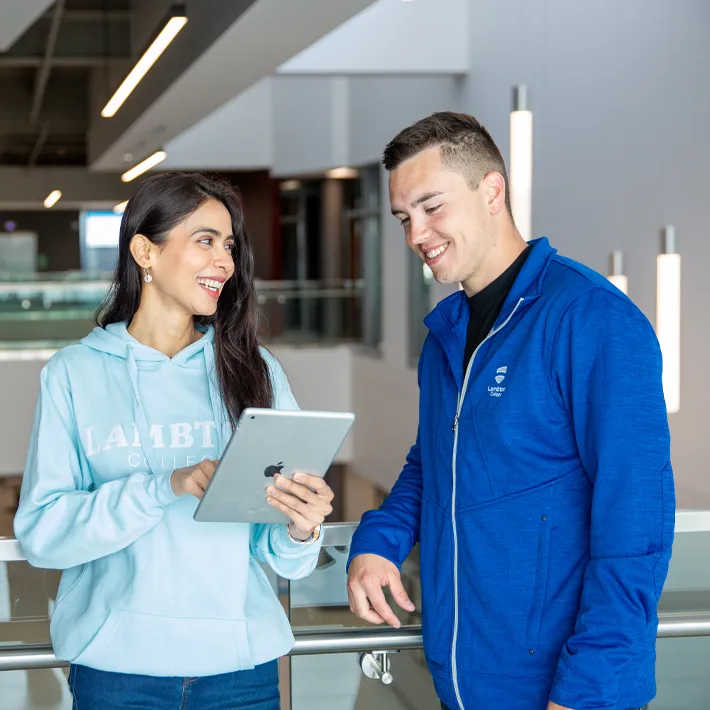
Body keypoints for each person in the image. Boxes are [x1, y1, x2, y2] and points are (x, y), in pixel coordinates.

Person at [346, 112, 674, 710]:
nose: (416, 233)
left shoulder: (592, 320)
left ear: (492, 191)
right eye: (403, 217)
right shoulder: (446, 333)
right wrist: (379, 540)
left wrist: (589, 692)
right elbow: (433, 464)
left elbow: (637, 529)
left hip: (565, 694)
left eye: (431, 206)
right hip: (463, 685)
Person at [14, 173, 334, 710]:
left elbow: (281, 557)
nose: (225, 262)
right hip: (118, 673)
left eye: (228, 246)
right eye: (205, 241)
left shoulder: (255, 371)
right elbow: (44, 535)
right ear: (145, 251)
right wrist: (164, 486)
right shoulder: (73, 374)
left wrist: (303, 529)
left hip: (241, 672)